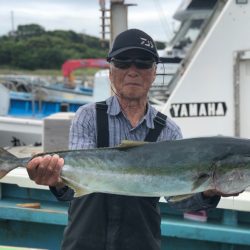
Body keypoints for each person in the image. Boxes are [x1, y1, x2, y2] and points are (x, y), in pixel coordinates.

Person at [27, 29, 236, 250]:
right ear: (111, 71)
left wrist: (209, 191)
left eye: (143, 63)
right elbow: (73, 188)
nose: (132, 71)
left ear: (154, 72)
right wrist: (56, 181)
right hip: (84, 242)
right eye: (123, 62)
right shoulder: (88, 117)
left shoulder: (169, 131)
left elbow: (178, 199)